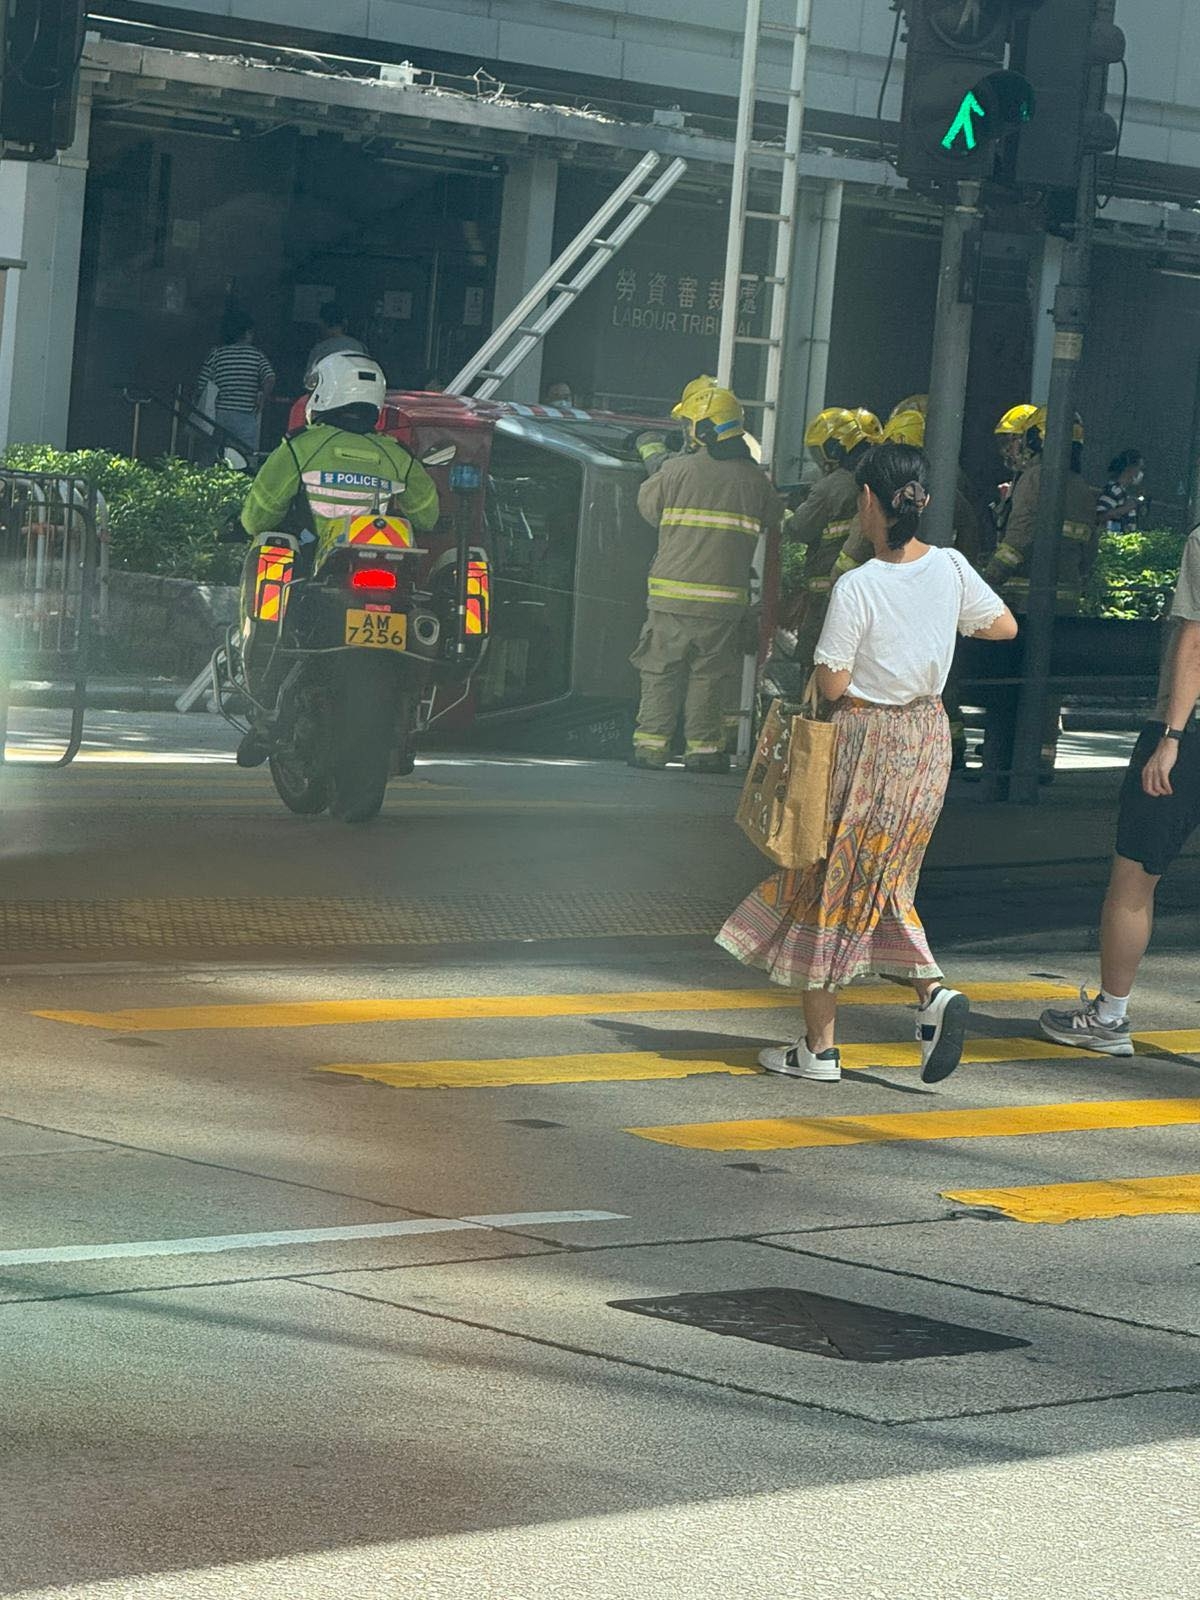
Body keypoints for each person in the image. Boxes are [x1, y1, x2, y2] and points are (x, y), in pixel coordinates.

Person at [717, 442, 1018, 1084]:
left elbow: (831, 683)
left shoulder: (858, 585)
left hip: (865, 742)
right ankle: (914, 1005)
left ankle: (828, 1046)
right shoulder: (952, 567)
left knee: (828, 876)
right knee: (883, 877)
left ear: (866, 503)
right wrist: (936, 633)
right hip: (927, 739)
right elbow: (1003, 627)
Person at [233, 352, 439, 764]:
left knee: (270, 546)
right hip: (389, 582)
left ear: (324, 394)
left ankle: (264, 701)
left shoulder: (301, 448)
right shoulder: (397, 455)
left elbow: (258, 518)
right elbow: (428, 516)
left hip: (315, 577)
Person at [1040, 527, 1200, 1055]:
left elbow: (1195, 641)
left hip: (1188, 733)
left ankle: (1109, 1017)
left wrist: (1171, 738)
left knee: (1134, 880)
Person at [630, 380, 784, 773]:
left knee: (661, 671)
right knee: (709, 678)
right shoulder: (756, 482)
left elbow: (647, 509)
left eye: (690, 425)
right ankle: (703, 752)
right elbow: (775, 517)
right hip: (724, 607)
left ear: (705, 428)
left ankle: (651, 748)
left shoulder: (676, 471)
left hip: (671, 600)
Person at [195, 310, 276, 456]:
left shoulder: (217, 353)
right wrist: (262, 397)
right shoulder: (256, 355)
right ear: (247, 333)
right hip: (245, 414)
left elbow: (202, 384)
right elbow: (270, 377)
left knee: (216, 452)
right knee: (243, 454)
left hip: (220, 414)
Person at [304, 303, 365, 389]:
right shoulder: (360, 347)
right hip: (356, 391)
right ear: (345, 322)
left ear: (322, 323)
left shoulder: (319, 349)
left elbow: (309, 383)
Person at [1097, 449, 1146, 533]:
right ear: (1129, 468)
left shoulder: (1123, 493)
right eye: (1140, 468)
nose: (1141, 473)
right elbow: (1100, 516)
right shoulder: (1113, 490)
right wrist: (1127, 508)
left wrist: (1140, 500)